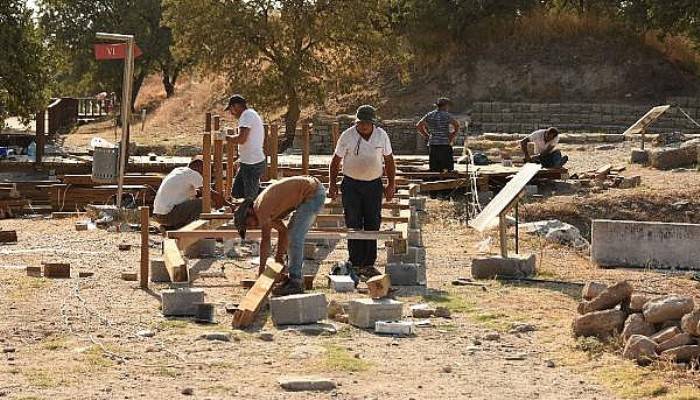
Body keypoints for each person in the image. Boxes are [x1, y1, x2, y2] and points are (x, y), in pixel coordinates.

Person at [328, 105, 396, 280]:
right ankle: (356, 261)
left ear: (372, 123)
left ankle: (369, 263)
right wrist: (332, 184)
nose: (364, 126)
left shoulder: (381, 135)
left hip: (373, 184)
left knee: (372, 221)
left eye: (367, 123)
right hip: (351, 184)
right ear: (356, 122)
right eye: (361, 123)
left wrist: (390, 184)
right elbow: (335, 161)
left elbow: (389, 160)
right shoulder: (347, 135)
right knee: (353, 221)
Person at [233, 176, 326, 296]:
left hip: (313, 194)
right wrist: (278, 259)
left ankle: (295, 282)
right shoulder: (262, 207)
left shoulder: (261, 209)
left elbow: (265, 240)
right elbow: (283, 232)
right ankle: (292, 277)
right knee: (291, 234)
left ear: (249, 212)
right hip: (310, 192)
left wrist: (261, 272)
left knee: (295, 237)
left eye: (247, 224)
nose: (250, 227)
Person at [153, 158, 225, 229]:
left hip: (158, 215)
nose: (204, 175)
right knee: (202, 203)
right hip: (168, 216)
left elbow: (197, 193)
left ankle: (173, 228)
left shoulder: (178, 171)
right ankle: (191, 231)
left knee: (196, 202)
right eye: (205, 172)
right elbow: (209, 193)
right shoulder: (194, 174)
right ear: (200, 168)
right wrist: (228, 204)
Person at [224, 94, 266, 201]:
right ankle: (267, 192)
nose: (232, 113)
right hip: (248, 162)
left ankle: (269, 196)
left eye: (231, 109)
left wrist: (226, 138)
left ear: (236, 106)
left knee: (250, 199)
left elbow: (242, 139)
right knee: (237, 192)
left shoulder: (246, 116)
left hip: (252, 163)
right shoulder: (249, 114)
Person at [416, 97, 460, 172]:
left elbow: (418, 125)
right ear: (445, 105)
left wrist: (427, 136)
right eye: (448, 106)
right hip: (445, 143)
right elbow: (456, 125)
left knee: (434, 168)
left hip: (433, 144)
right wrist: (452, 135)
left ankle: (434, 180)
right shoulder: (447, 115)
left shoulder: (430, 115)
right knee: (448, 168)